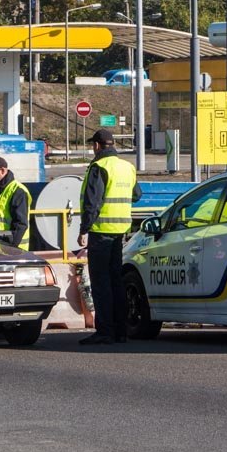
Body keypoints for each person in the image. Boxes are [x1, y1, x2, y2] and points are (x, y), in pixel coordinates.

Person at [77, 129, 141, 346]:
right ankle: (121, 331)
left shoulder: (99, 167)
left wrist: (84, 229)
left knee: (101, 283)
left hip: (101, 231)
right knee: (116, 281)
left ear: (97, 145)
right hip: (120, 232)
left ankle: (105, 331)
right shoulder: (127, 167)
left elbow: (92, 203)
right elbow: (137, 195)